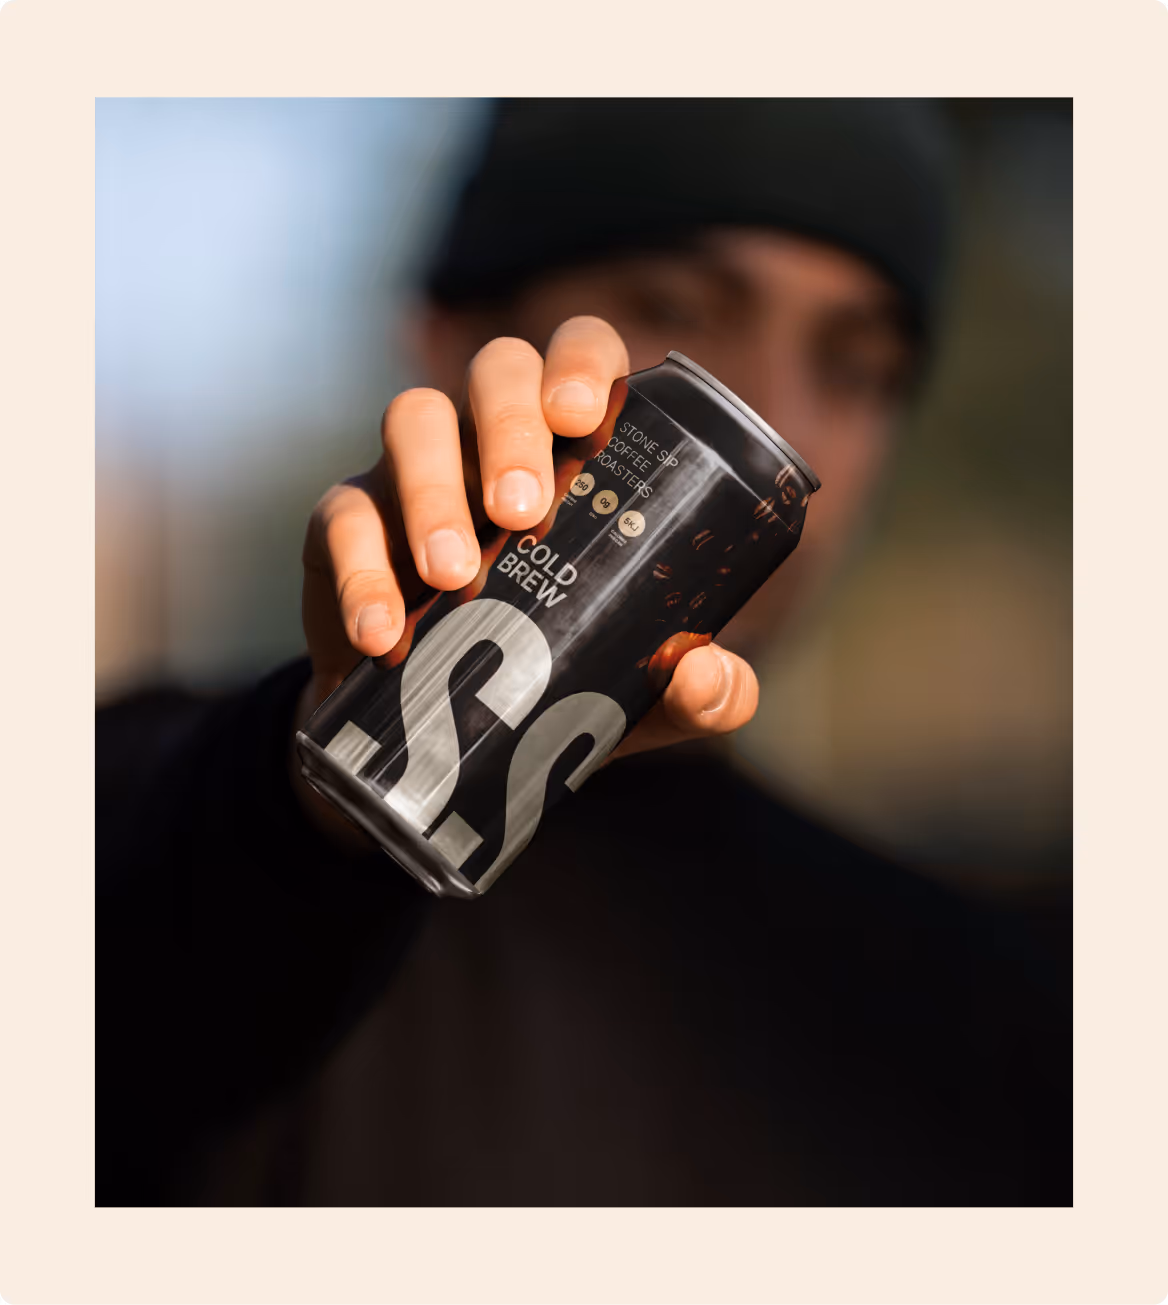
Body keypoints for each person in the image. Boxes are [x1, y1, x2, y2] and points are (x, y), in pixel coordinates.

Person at [97, 98, 1070, 1205]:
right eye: (678, 308)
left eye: (857, 365)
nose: (782, 414)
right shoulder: (150, 799)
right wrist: (309, 801)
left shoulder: (996, 1016)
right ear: (451, 344)